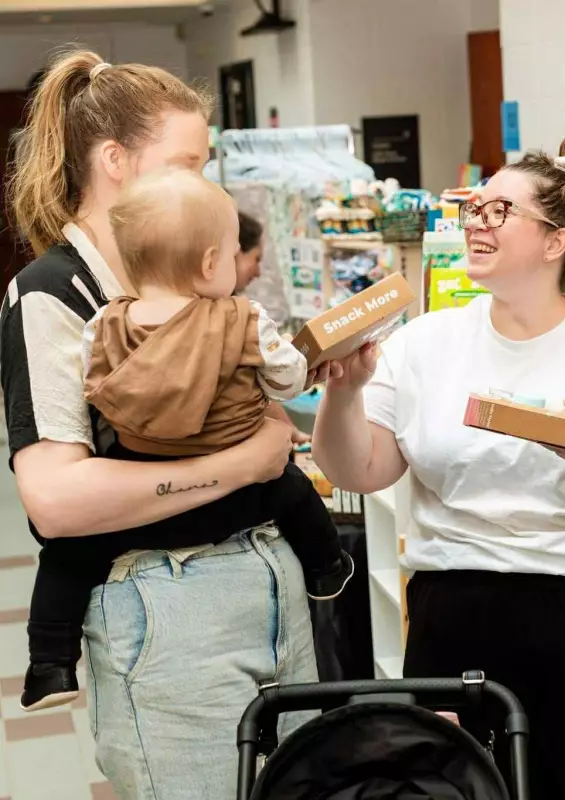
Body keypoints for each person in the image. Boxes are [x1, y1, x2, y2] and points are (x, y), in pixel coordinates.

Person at [312, 133, 565, 799]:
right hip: (457, 621)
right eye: (474, 208)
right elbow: (360, 471)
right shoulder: (424, 342)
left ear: (555, 242)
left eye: (499, 211)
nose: (476, 223)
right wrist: (344, 392)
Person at [2, 51, 318, 799]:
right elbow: (56, 501)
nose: (205, 186)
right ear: (114, 161)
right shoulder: (53, 296)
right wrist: (242, 465)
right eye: (187, 164)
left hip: (268, 578)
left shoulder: (196, 282)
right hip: (164, 604)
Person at [20, 168, 353, 712]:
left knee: (67, 557)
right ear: (209, 264)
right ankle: (327, 569)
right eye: (232, 255)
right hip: (237, 491)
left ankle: (49, 666)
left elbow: (91, 383)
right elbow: (286, 378)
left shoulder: (104, 323)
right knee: (293, 489)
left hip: (143, 488)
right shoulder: (242, 319)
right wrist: (301, 369)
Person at [235, 208, 311, 444]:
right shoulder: (243, 319)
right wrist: (286, 351)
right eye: (256, 259)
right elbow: (284, 376)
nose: (258, 272)